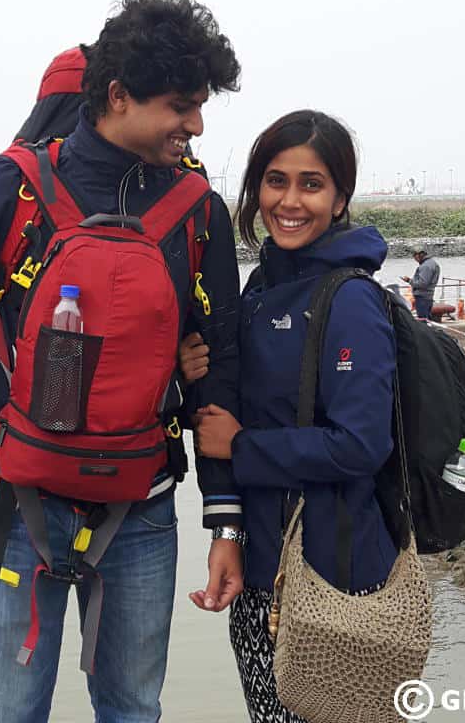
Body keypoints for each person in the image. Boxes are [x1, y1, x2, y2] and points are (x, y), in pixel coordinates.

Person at [0, 0, 245, 723]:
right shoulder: (7, 187)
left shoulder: (200, 211)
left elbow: (222, 369)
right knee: (11, 712)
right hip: (13, 498)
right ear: (117, 95)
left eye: (201, 106)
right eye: (181, 105)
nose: (196, 126)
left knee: (135, 709)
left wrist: (225, 518)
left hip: (141, 505)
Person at [186, 110, 398, 723]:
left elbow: (361, 445)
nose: (290, 201)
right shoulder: (260, 289)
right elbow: (245, 400)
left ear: (340, 199)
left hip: (332, 574)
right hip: (264, 568)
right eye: (275, 181)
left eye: (312, 184)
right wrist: (192, 365)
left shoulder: (350, 299)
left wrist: (242, 446)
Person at [401, 244, 440, 320]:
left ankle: (427, 331)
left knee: (423, 320)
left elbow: (423, 283)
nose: (414, 258)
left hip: (423, 297)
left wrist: (409, 280)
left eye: (414, 255)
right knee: (427, 319)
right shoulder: (432, 263)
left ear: (420, 255)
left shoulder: (426, 266)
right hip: (428, 296)